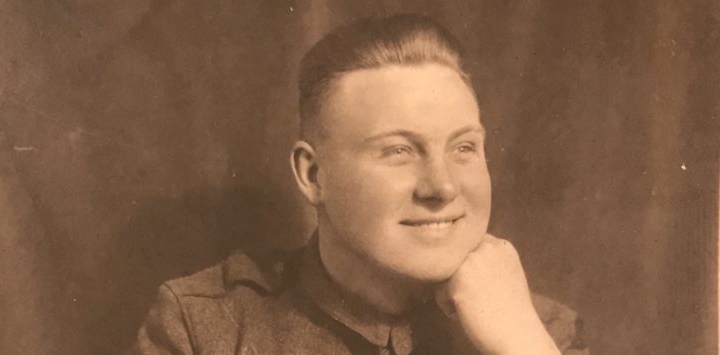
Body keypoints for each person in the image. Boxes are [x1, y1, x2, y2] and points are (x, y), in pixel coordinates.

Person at [131, 13, 587, 355]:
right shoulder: (205, 326)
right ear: (313, 176)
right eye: (399, 151)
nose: (442, 186)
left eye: (463, 148)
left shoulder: (537, 330)